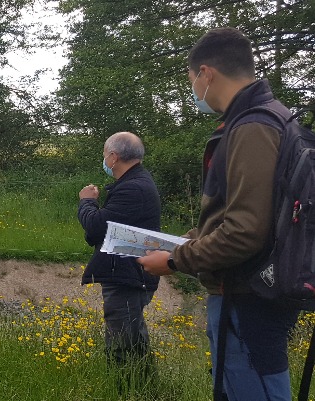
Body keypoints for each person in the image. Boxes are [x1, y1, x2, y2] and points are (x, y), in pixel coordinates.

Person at [138, 28, 300, 400]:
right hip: (250, 292)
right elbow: (247, 212)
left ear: (206, 73)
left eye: (191, 81)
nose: (195, 91)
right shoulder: (270, 118)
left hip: (246, 295)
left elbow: (245, 231)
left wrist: (176, 259)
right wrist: (187, 240)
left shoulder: (253, 127)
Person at [78, 132, 161, 392]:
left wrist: (87, 202)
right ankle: (147, 391)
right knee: (135, 339)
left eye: (105, 154)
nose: (104, 159)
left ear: (113, 157)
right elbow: (107, 229)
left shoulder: (132, 188)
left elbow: (96, 226)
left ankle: (126, 392)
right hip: (130, 272)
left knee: (122, 345)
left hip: (127, 275)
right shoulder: (136, 182)